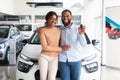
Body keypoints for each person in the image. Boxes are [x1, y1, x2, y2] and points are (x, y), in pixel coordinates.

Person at [37, 11, 70, 80]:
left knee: (51, 78)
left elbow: (64, 41)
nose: (53, 21)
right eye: (51, 19)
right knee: (43, 78)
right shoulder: (42, 30)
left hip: (54, 58)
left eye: (55, 19)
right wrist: (61, 49)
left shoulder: (59, 30)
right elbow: (45, 47)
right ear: (47, 19)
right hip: (44, 57)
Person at [58, 9, 87, 80]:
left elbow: (84, 44)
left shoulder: (78, 29)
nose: (65, 18)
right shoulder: (59, 30)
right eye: (63, 16)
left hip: (75, 59)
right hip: (63, 60)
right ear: (61, 18)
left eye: (67, 16)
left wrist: (81, 34)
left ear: (71, 17)